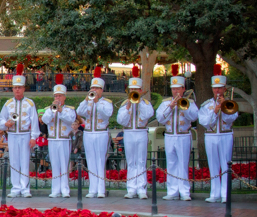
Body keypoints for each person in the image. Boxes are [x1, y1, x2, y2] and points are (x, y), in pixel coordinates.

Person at [155, 64, 199, 201]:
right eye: (173, 89)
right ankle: (172, 191)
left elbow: (194, 117)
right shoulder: (165, 103)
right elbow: (160, 118)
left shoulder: (189, 102)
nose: (175, 92)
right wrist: (170, 107)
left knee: (183, 163)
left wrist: (183, 106)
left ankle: (185, 191)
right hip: (169, 136)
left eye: (178, 89)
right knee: (171, 163)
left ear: (183, 89)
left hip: (184, 135)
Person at [0, 63, 40, 198]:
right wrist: (6, 124)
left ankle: (25, 188)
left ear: (23, 89)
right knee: (14, 161)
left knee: (25, 160)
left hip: (25, 135)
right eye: (15, 88)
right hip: (13, 135)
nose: (17, 90)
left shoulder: (30, 103)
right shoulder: (8, 103)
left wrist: (34, 137)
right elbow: (1, 119)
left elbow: (34, 121)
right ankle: (15, 187)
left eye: (19, 88)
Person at [199, 64, 238, 204]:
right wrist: (215, 111)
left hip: (226, 135)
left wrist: (224, 107)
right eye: (215, 88)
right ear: (212, 89)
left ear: (224, 89)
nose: (217, 91)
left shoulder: (230, 104)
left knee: (225, 164)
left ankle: (225, 194)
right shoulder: (206, 105)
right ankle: (214, 193)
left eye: (220, 88)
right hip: (210, 136)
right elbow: (205, 123)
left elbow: (231, 119)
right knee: (213, 164)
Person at [116, 66, 155, 200]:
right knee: (131, 161)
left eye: (136, 90)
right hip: (128, 133)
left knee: (141, 161)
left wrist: (139, 103)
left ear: (140, 90)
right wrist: (128, 106)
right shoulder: (124, 104)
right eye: (131, 90)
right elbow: (121, 120)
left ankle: (142, 188)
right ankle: (131, 188)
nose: (133, 92)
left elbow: (147, 115)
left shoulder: (145, 103)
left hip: (141, 132)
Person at [76, 66, 113, 199]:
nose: (94, 91)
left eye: (97, 89)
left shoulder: (106, 102)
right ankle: (93, 189)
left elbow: (107, 114)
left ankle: (101, 189)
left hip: (101, 132)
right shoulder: (88, 102)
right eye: (93, 89)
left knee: (100, 160)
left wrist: (97, 103)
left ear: (101, 90)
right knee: (90, 160)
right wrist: (87, 100)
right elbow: (79, 111)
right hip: (89, 133)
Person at [41, 74, 77, 198]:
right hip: (52, 140)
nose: (57, 98)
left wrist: (60, 111)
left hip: (64, 140)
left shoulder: (69, 109)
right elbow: (45, 120)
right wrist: (52, 110)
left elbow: (71, 120)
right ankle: (55, 189)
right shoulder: (49, 109)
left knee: (64, 164)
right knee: (55, 165)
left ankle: (65, 189)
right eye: (56, 96)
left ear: (64, 97)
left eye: (59, 96)